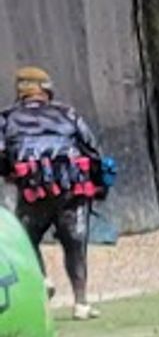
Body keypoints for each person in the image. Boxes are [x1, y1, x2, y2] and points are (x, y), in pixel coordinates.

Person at [4, 63, 109, 319]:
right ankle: (81, 303)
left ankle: (41, 279)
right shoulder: (68, 114)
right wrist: (99, 186)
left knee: (26, 241)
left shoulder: (6, 118)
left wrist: (11, 173)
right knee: (75, 245)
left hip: (33, 192)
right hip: (73, 189)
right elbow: (92, 151)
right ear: (46, 89)